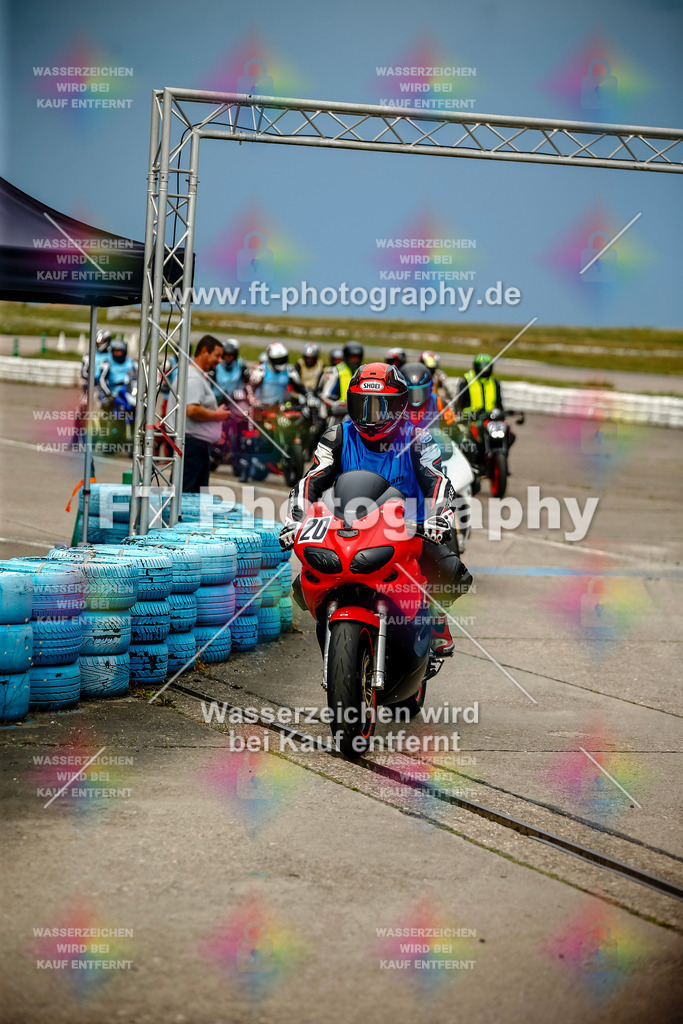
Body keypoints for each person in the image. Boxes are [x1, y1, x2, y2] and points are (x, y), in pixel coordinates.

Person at [280, 362, 472, 656]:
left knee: (452, 572)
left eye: (383, 406)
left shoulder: (418, 439)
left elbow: (437, 480)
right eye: (363, 405)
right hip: (347, 530)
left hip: (406, 532)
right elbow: (311, 481)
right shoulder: (338, 437)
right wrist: (296, 518)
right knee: (303, 585)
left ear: (400, 406)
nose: (372, 416)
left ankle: (434, 619)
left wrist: (440, 515)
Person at [183, 335, 229, 492]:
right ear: (204, 351)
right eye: (217, 355)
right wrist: (216, 416)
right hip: (192, 448)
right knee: (188, 495)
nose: (220, 360)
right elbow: (191, 409)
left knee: (197, 497)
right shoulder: (193, 377)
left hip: (199, 448)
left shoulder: (198, 376)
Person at [246, 342, 307, 407]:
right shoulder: (261, 370)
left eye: (283, 359)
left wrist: (308, 396)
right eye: (278, 360)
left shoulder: (290, 371)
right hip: (261, 408)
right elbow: (249, 387)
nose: (281, 362)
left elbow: (300, 387)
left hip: (281, 408)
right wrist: (253, 400)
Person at [402, 362, 456, 432]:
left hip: (434, 443)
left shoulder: (439, 403)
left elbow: (454, 431)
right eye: (411, 393)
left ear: (430, 388)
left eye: (420, 392)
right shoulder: (397, 406)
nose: (416, 399)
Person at [456, 354, 503, 419]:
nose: (484, 371)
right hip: (470, 419)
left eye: (487, 368)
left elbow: (499, 405)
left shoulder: (494, 382)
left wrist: (499, 413)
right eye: (482, 368)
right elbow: (459, 403)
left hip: (490, 419)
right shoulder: (466, 380)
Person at [319, 340, 364, 409]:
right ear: (346, 357)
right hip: (337, 412)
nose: (354, 361)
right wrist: (337, 404)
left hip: (357, 411)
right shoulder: (335, 371)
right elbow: (325, 396)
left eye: (356, 358)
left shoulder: (362, 371)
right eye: (352, 358)